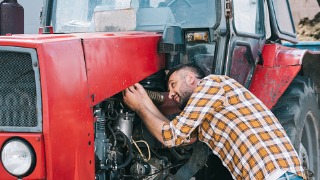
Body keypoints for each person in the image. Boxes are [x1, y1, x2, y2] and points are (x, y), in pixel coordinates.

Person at [123, 64, 305, 180]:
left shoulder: (211, 84)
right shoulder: (207, 116)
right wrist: (144, 101)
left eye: (173, 85)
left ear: (190, 78)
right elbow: (178, 136)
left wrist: (140, 107)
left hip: (276, 175)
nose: (170, 94)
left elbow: (170, 136)